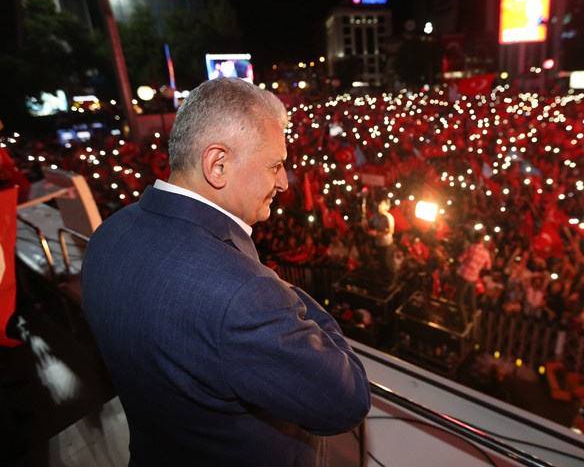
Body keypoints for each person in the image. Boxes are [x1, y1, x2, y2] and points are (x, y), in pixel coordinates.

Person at [81, 78, 371, 467]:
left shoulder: (108, 235)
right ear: (217, 164)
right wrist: (275, 286)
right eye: (275, 165)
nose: (284, 182)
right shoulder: (246, 294)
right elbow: (347, 400)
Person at [455, 231, 492, 324]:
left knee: (459, 299)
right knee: (472, 299)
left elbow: (460, 258)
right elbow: (488, 267)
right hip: (474, 278)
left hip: (464, 275)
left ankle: (464, 322)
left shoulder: (472, 247)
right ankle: (472, 317)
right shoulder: (486, 253)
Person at [367, 197, 396, 283]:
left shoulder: (388, 217)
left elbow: (391, 230)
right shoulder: (375, 216)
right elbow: (370, 223)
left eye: (381, 206)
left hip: (386, 243)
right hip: (378, 243)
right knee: (381, 261)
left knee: (387, 262)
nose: (379, 207)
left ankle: (392, 279)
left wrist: (377, 233)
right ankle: (383, 278)